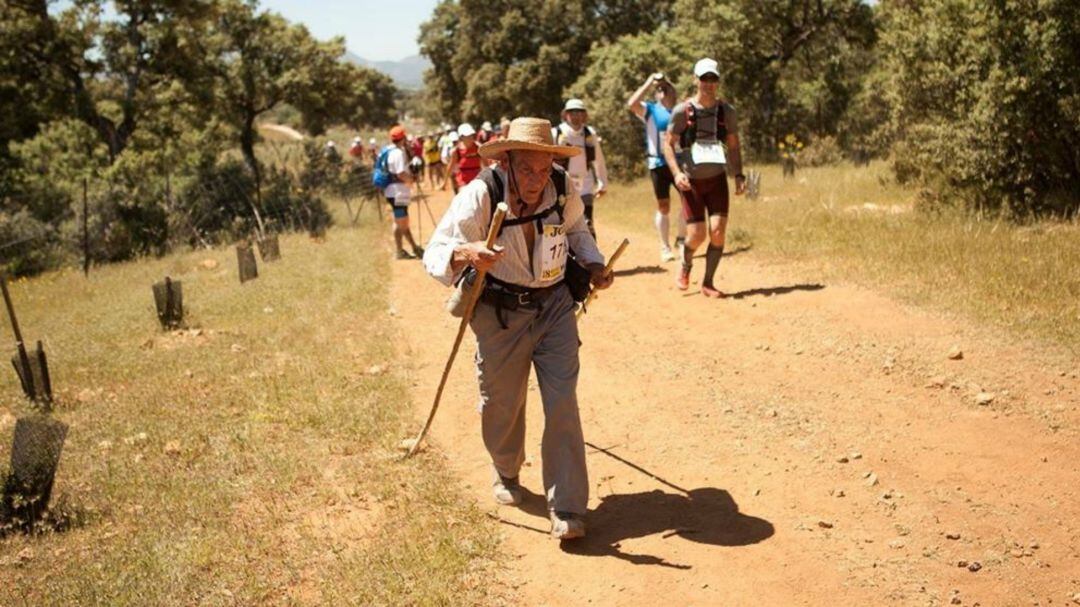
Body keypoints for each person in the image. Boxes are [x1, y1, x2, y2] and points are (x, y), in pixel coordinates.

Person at [422, 117, 613, 540]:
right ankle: (506, 470)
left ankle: (567, 508)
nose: (536, 179)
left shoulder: (562, 188)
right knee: (501, 403)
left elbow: (578, 232)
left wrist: (595, 263)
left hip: (554, 307)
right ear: (507, 162)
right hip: (499, 313)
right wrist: (467, 253)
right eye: (527, 169)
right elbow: (434, 252)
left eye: (544, 169)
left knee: (562, 400)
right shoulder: (481, 195)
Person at [662, 58, 745, 298]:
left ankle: (708, 282)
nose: (709, 83)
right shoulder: (682, 111)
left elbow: (734, 146)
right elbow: (668, 145)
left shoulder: (726, 112)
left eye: (713, 79)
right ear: (695, 80)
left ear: (717, 81)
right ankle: (686, 262)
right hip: (691, 181)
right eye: (704, 78)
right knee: (697, 235)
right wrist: (676, 173)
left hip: (717, 178)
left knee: (718, 231)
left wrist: (738, 174)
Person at [627, 72, 686, 263]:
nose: (663, 91)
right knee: (664, 205)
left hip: (679, 162)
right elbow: (632, 104)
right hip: (658, 163)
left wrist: (667, 81)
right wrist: (648, 82)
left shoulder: (681, 110)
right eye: (660, 90)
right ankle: (665, 246)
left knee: (689, 200)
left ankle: (682, 238)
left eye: (666, 89)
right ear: (656, 94)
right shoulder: (651, 110)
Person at [553, 99, 608, 237]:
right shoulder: (556, 132)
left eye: (579, 112)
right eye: (572, 112)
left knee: (587, 222)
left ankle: (591, 256)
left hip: (586, 183)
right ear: (565, 114)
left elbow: (598, 158)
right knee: (563, 221)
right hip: (563, 182)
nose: (576, 115)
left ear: (584, 115)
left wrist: (602, 182)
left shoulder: (590, 133)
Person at [379, 125, 425, 259]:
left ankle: (403, 250)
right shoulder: (398, 153)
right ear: (403, 137)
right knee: (402, 222)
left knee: (399, 222)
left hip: (392, 191)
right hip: (398, 191)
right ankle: (411, 249)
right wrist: (412, 179)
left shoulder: (389, 150)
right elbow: (400, 173)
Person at [448, 123, 483, 191]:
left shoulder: (478, 147)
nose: (470, 138)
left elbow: (486, 165)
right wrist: (445, 182)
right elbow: (450, 166)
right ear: (461, 137)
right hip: (463, 182)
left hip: (477, 180)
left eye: (471, 135)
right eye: (468, 136)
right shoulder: (456, 151)